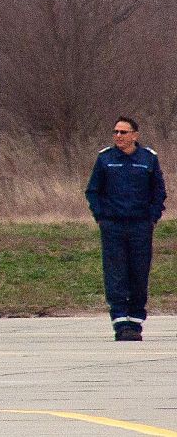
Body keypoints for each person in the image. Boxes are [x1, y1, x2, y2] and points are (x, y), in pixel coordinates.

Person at [86, 117, 166, 341]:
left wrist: (152, 217)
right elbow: (93, 191)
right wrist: (101, 216)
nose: (118, 136)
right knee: (116, 273)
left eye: (123, 132)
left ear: (135, 135)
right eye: (116, 132)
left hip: (140, 226)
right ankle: (121, 323)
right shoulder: (105, 159)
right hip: (113, 226)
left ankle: (135, 321)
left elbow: (159, 191)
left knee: (139, 272)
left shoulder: (148, 159)